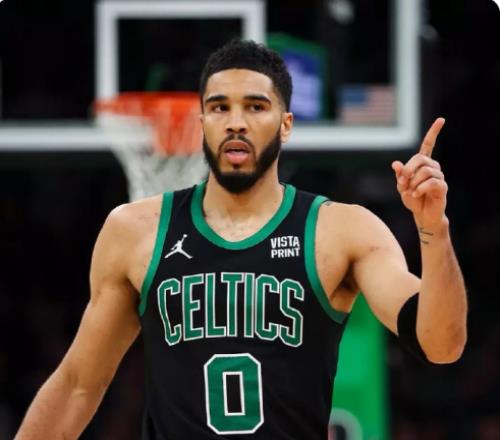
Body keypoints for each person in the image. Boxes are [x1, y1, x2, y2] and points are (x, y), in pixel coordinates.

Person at [14, 39, 467, 440]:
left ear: (285, 124)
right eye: (219, 107)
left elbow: (441, 344)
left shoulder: (341, 229)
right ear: (202, 122)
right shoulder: (135, 231)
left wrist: (434, 229)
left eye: (255, 106)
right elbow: (77, 385)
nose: (236, 122)